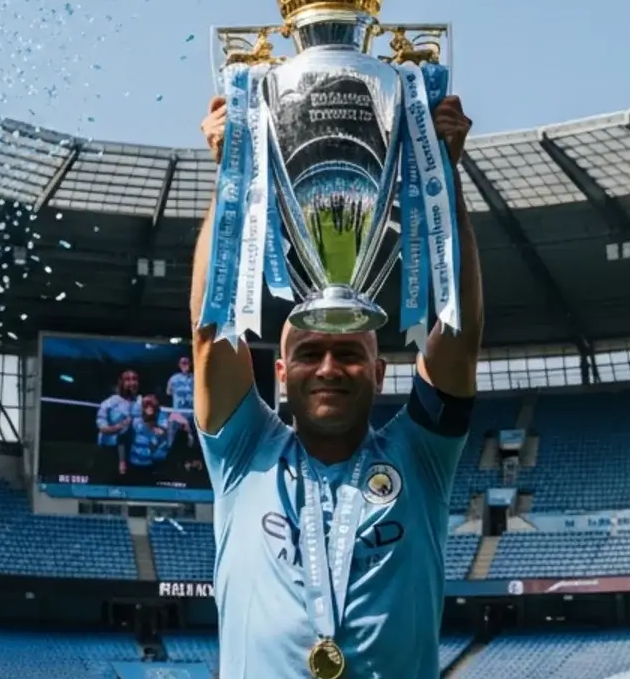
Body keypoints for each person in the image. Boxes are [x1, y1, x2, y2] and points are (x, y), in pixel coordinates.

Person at [190, 93, 483, 679]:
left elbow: (458, 332)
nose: (328, 368)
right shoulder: (244, 452)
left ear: (379, 373)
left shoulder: (418, 457)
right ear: (279, 373)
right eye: (309, 354)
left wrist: (442, 177)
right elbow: (211, 328)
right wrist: (232, 173)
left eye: (349, 353)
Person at [95, 369, 142, 481]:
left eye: (135, 379)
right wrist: (119, 427)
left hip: (136, 454)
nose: (132, 383)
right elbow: (103, 427)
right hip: (110, 451)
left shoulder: (141, 401)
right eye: (128, 379)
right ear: (121, 382)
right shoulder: (110, 403)